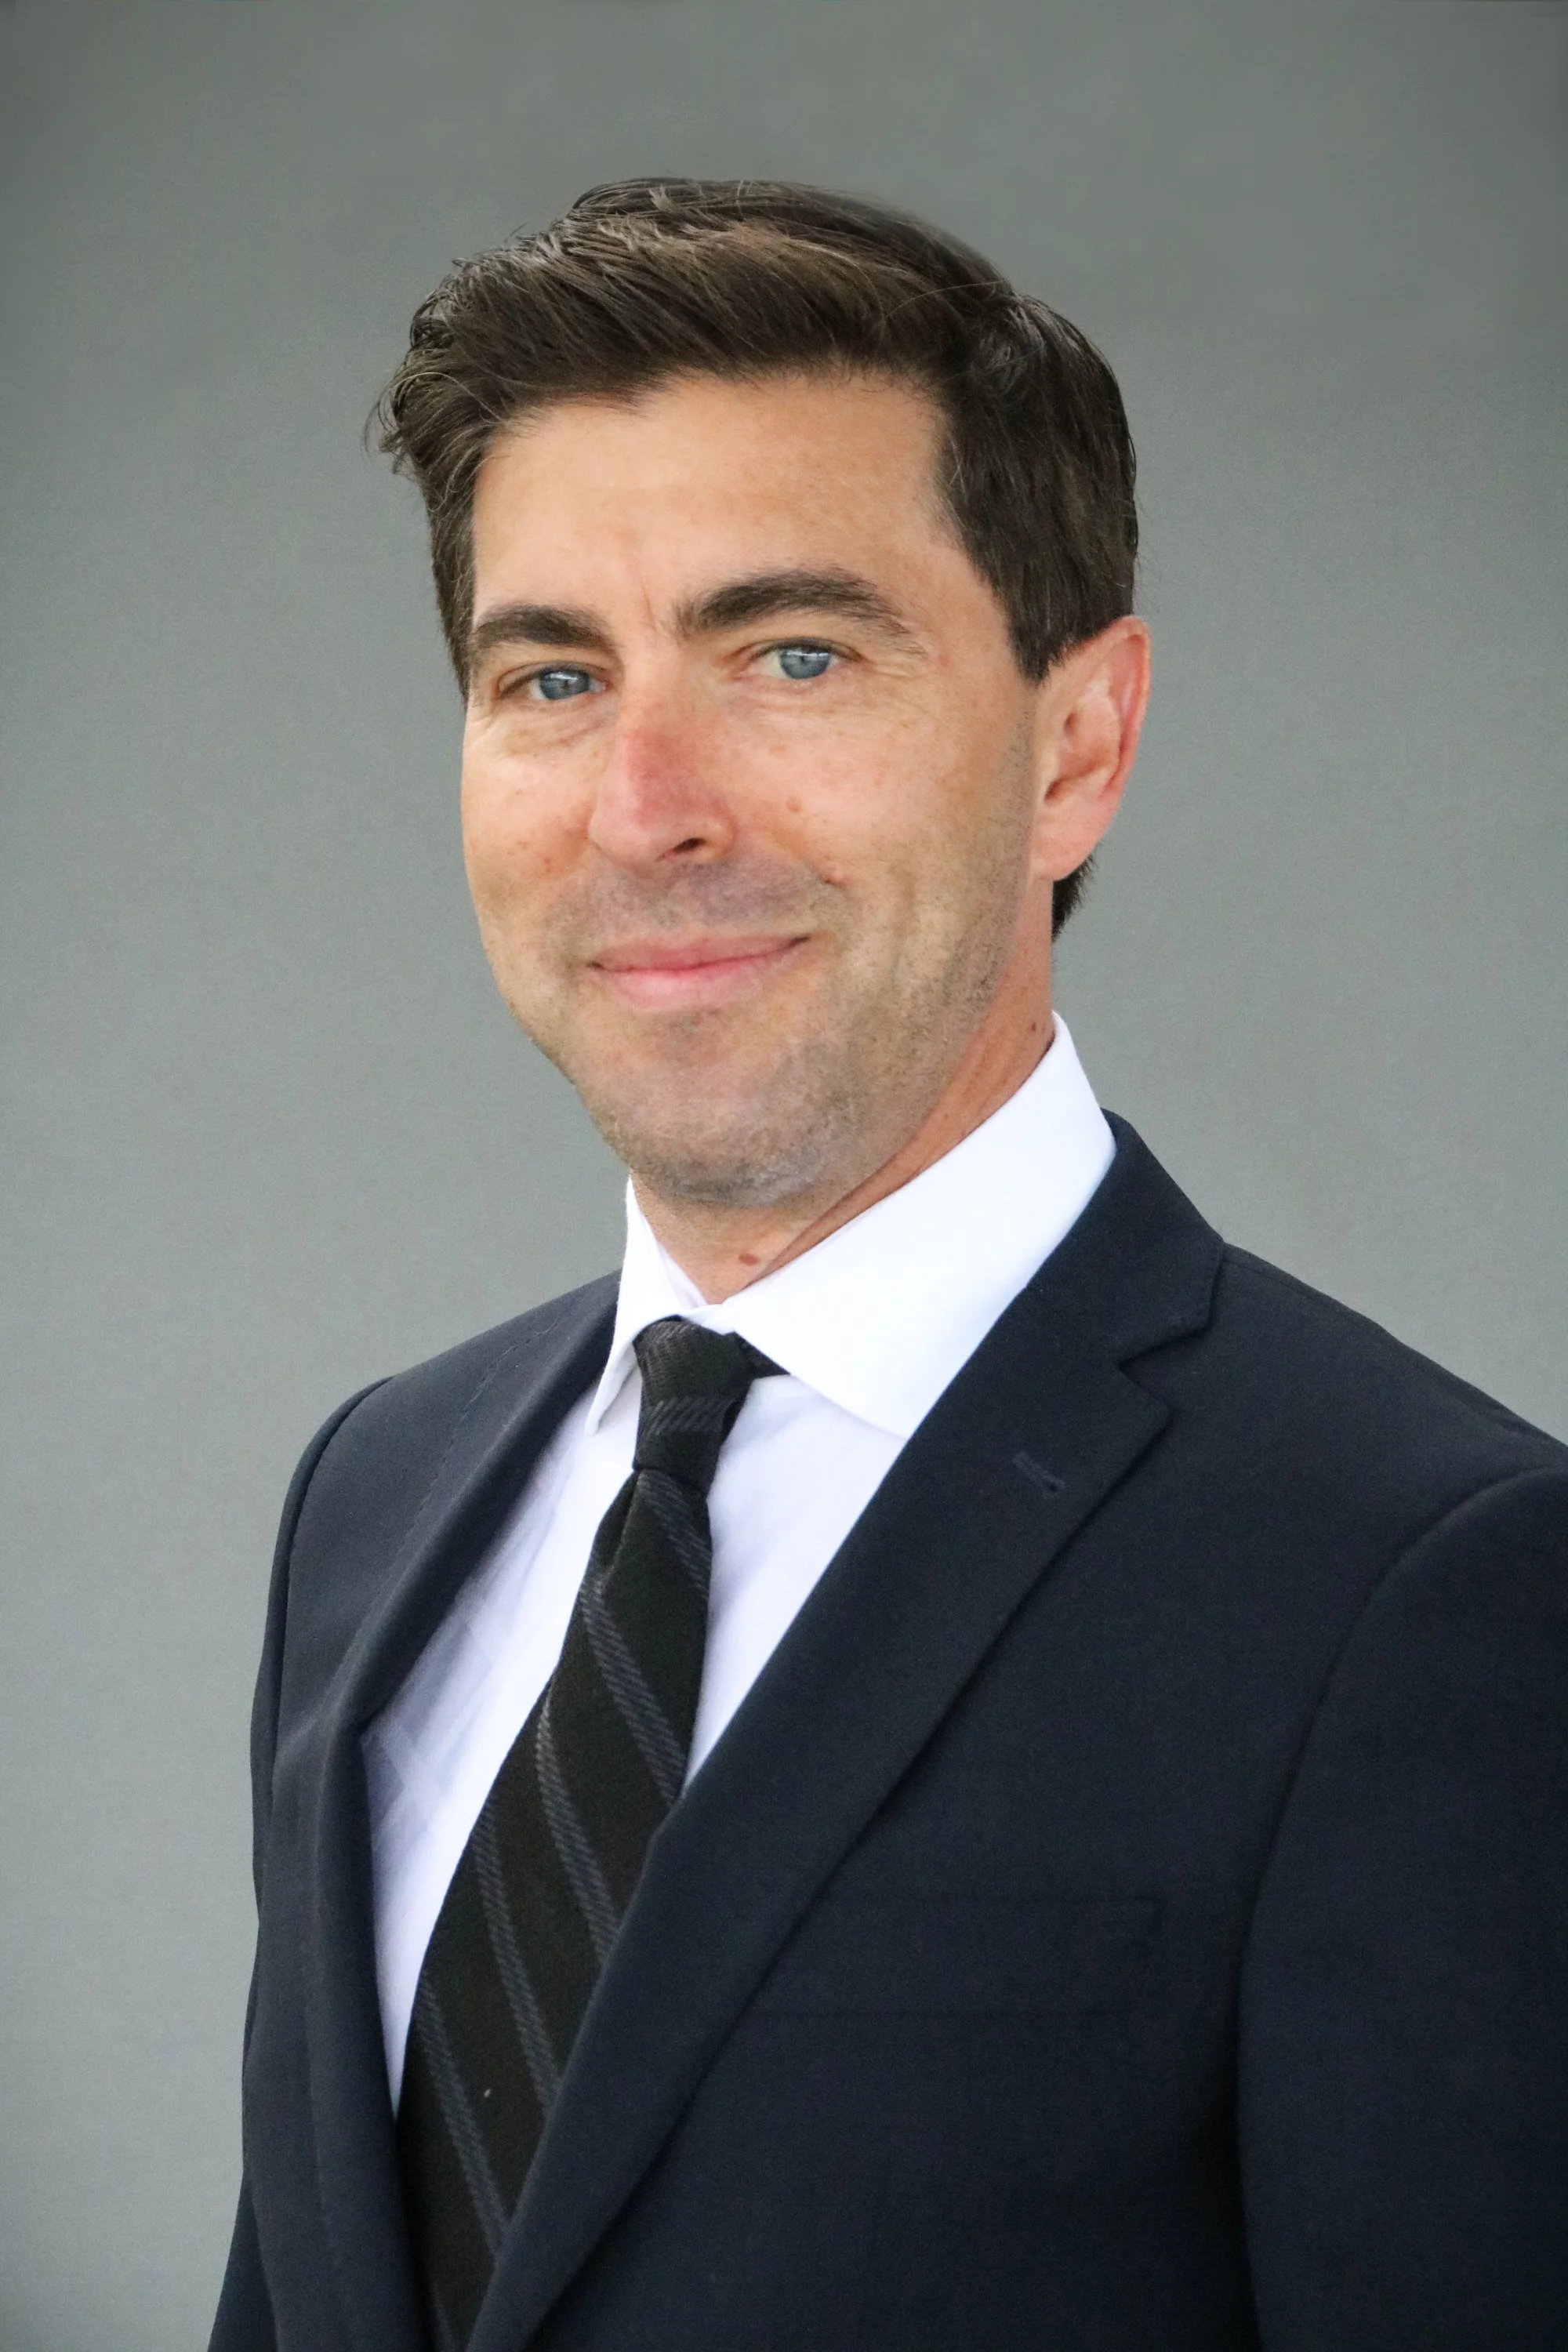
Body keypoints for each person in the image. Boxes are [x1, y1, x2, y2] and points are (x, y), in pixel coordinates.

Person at [209, 180, 1567, 2352]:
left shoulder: (1430, 1593)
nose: (644, 803)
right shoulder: (373, 1505)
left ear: (1077, 744)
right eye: (552, 672)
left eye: (795, 655)